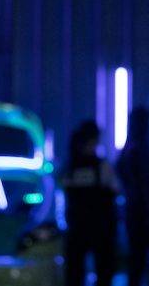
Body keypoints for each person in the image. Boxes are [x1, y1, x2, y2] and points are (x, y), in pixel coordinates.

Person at [62, 120, 120, 286]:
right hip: (101, 227)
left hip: (77, 227)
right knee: (104, 271)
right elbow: (115, 190)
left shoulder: (70, 167)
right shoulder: (102, 167)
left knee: (75, 273)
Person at [116, 106, 149, 286]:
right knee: (142, 257)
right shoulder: (142, 149)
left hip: (132, 207)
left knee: (136, 257)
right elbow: (145, 182)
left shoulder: (128, 149)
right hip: (142, 209)